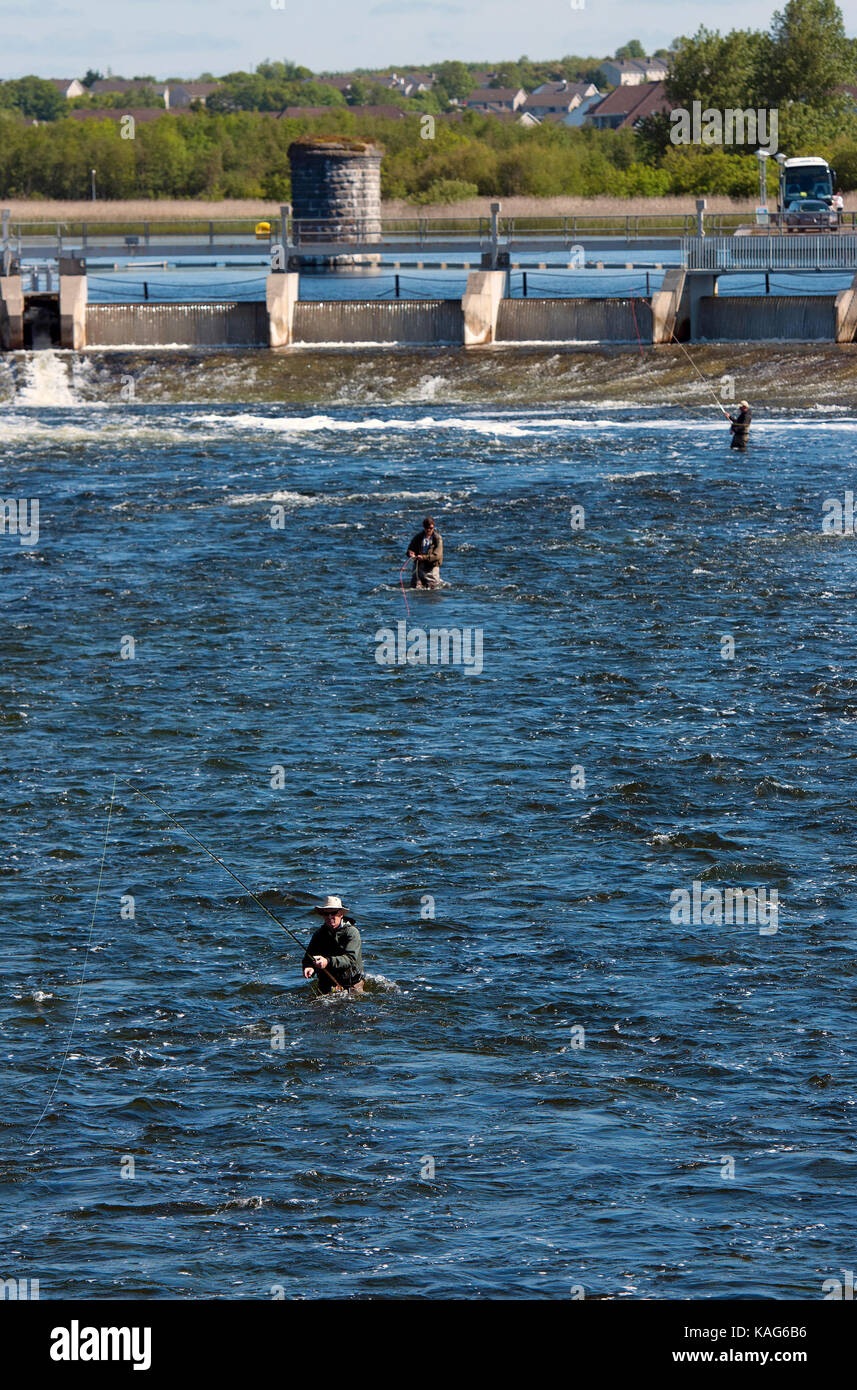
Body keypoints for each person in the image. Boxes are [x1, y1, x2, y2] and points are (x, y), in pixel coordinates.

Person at [302, 896, 365, 995]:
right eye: (326, 913)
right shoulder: (318, 934)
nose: (330, 917)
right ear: (322, 915)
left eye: (334, 913)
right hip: (327, 983)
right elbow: (308, 957)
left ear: (341, 914)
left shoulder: (352, 932)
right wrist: (309, 967)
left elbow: (350, 959)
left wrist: (327, 961)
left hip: (351, 983)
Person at [406, 516, 443, 590]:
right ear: (424, 527)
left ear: (433, 527)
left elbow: (437, 556)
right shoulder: (418, 537)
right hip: (418, 567)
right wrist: (410, 553)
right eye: (427, 528)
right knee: (415, 587)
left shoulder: (438, 538)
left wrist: (423, 557)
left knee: (433, 588)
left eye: (431, 528)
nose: (429, 530)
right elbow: (410, 549)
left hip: (432, 569)